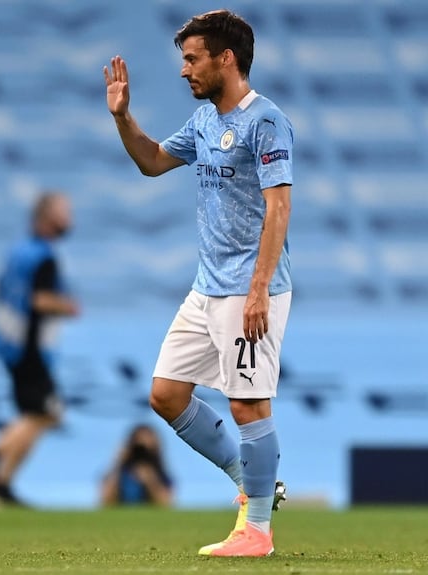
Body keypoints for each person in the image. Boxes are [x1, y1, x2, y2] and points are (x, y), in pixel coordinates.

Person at [104, 9, 291, 557]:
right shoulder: (206, 122)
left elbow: (278, 208)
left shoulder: (267, 122)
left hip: (249, 287)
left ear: (225, 58)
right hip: (206, 287)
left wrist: (258, 289)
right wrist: (123, 118)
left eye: (192, 59)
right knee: (165, 394)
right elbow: (154, 162)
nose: (184, 71)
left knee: (248, 406)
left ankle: (257, 531)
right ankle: (251, 482)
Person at [0, 191, 80, 508]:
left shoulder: (20, 251)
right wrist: (67, 306)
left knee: (36, 415)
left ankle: (0, 486)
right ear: (47, 217)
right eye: (63, 211)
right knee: (45, 413)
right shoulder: (43, 256)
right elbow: (39, 300)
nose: (69, 219)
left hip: (9, 341)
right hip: (30, 346)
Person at [100, 423, 173, 507]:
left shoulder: (160, 474)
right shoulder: (120, 472)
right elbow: (105, 500)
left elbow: (165, 503)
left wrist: (150, 480)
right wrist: (118, 463)